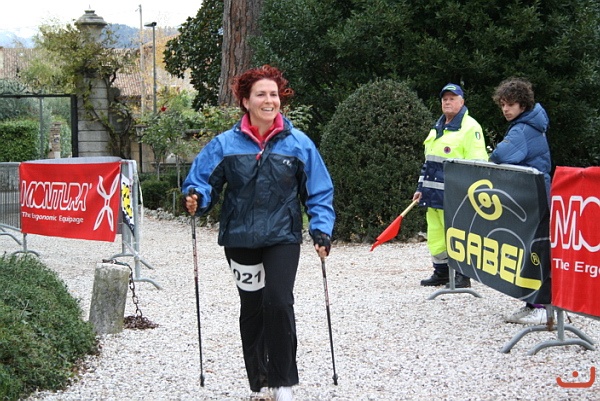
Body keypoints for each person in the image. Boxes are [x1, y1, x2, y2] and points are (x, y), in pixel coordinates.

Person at [182, 65, 335, 401]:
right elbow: (201, 181)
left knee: (278, 302)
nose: (269, 100)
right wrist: (196, 197)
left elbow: (319, 190)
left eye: (274, 94)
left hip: (282, 237)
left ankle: (283, 382)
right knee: (252, 308)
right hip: (240, 239)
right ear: (245, 101)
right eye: (261, 94)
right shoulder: (224, 144)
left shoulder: (299, 144)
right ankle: (260, 380)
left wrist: (321, 228)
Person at [489, 77, 552, 325]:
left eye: (510, 104)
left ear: (522, 105)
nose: (505, 109)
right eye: (503, 104)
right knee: (528, 248)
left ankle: (543, 308)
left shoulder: (522, 129)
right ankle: (532, 304)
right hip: (532, 194)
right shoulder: (528, 124)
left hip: (534, 196)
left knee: (535, 249)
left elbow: (500, 155)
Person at [414, 83, 488, 288]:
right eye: (444, 99)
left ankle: (463, 276)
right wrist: (420, 188)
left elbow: (477, 164)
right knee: (436, 236)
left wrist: (471, 194)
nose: (447, 102)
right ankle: (442, 273)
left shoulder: (470, 127)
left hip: (457, 196)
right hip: (433, 195)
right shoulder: (438, 127)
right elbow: (429, 163)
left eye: (452, 98)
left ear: (461, 102)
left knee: (459, 235)